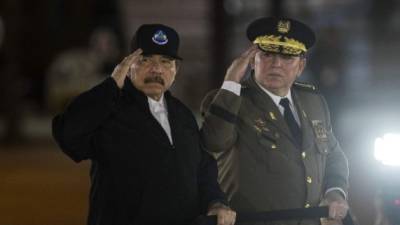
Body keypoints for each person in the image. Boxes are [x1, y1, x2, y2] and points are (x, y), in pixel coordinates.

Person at [52, 24, 236, 225]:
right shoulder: (108, 110)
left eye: (166, 61)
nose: (156, 69)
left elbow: (203, 169)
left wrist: (216, 202)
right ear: (128, 64)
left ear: (176, 69)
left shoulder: (183, 116)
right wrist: (111, 85)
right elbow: (67, 134)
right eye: (145, 60)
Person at [200, 17, 349, 225]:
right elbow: (214, 142)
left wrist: (335, 191)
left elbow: (333, 154)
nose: (276, 64)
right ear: (253, 60)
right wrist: (232, 80)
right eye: (267, 54)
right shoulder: (230, 100)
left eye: (287, 58)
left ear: (301, 66)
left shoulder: (313, 102)